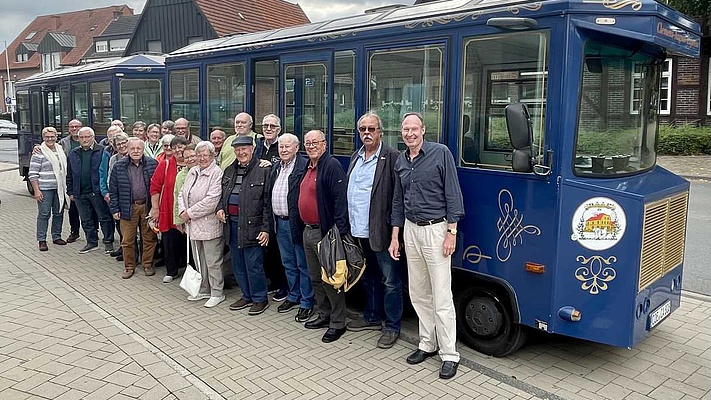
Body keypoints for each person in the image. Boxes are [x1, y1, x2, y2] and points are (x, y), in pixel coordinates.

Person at [388, 112, 465, 380]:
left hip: (436, 230)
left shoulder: (440, 153)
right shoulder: (401, 160)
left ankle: (449, 354)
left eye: (414, 129)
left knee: (442, 295)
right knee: (418, 292)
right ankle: (427, 344)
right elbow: (398, 200)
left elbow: (453, 194)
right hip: (410, 229)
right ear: (401, 133)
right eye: (405, 129)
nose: (409, 133)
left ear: (423, 130)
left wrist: (451, 232)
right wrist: (395, 236)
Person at [345, 113, 403, 349]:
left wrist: (395, 234)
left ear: (380, 131)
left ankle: (392, 326)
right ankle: (371, 315)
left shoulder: (391, 157)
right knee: (368, 277)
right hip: (358, 231)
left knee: (391, 280)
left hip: (382, 232)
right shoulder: (355, 157)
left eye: (371, 129)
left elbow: (398, 198)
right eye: (362, 129)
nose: (366, 133)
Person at [298, 130, 349, 343]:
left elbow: (340, 201)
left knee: (331, 279)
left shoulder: (331, 166)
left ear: (325, 144)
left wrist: (336, 232)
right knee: (315, 277)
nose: (311, 146)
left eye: (315, 142)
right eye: (307, 143)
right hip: (308, 230)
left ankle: (338, 323)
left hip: (326, 232)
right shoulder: (307, 166)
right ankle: (324, 313)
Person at [218, 135, 272, 315]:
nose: (241, 152)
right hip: (231, 225)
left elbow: (267, 202)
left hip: (253, 226)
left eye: (244, 149)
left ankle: (259, 299)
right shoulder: (229, 170)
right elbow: (222, 194)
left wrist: (266, 229)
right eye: (238, 150)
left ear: (252, 149)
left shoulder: (263, 169)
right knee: (238, 264)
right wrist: (220, 208)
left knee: (253, 264)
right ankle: (246, 295)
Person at [268, 133, 315, 322]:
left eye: (288, 146)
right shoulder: (276, 167)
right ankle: (293, 295)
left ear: (297, 148)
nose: (284, 150)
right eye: (281, 147)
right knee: (287, 262)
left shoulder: (304, 166)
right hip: (279, 222)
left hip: (297, 223)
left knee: (303, 264)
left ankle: (306, 302)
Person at [178, 141, 225, 307]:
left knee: (213, 261)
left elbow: (211, 200)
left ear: (212, 156)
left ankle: (217, 292)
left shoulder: (217, 173)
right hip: (192, 224)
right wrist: (182, 211)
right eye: (200, 155)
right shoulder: (193, 172)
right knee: (199, 260)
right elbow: (182, 194)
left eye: (206, 155)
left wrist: (189, 213)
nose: (202, 158)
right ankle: (204, 289)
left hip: (209, 224)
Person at [109, 138, 159, 279]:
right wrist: (115, 209)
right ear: (128, 149)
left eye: (139, 148)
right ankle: (129, 266)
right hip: (127, 207)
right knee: (127, 240)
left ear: (143, 149)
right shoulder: (119, 166)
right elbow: (113, 190)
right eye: (133, 148)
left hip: (147, 207)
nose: (136, 151)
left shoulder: (152, 164)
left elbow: (157, 187)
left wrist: (156, 208)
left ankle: (147, 264)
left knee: (149, 237)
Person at [66, 127, 116, 254]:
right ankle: (91, 242)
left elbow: (105, 172)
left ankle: (108, 242)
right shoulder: (73, 153)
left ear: (93, 137)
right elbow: (69, 174)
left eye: (87, 137)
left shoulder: (102, 151)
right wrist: (70, 191)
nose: (84, 140)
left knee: (104, 218)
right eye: (81, 137)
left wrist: (104, 190)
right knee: (86, 219)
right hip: (79, 193)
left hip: (97, 192)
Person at [150, 135, 189, 283]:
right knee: (170, 242)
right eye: (175, 147)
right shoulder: (165, 165)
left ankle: (188, 272)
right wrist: (155, 209)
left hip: (188, 213)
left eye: (181, 146)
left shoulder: (192, 164)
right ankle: (171, 271)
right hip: (169, 211)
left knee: (188, 244)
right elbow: (155, 187)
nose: (178, 150)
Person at [257, 114, 288, 300]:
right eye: (265, 125)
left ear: (279, 129)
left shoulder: (282, 146)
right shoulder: (258, 146)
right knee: (267, 249)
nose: (268, 129)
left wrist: (271, 166)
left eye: (272, 126)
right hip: (262, 203)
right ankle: (273, 281)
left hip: (279, 205)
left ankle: (283, 285)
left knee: (280, 250)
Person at [29, 127, 69, 251]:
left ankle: (56, 236)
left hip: (59, 188)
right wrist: (37, 190)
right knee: (44, 214)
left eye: (52, 136)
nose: (50, 139)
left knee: (58, 213)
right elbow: (33, 173)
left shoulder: (60, 149)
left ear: (56, 137)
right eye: (47, 137)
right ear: (43, 138)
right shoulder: (39, 152)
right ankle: (42, 240)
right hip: (45, 189)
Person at [100, 132, 130, 260]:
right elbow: (110, 178)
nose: (122, 146)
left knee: (130, 227)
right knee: (119, 224)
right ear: (115, 146)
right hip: (117, 196)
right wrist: (110, 194)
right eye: (119, 144)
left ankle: (130, 252)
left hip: (131, 198)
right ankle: (123, 248)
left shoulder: (135, 156)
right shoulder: (114, 159)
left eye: (124, 143)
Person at [59, 119, 84, 243]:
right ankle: (74, 232)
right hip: (72, 180)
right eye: (72, 127)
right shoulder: (64, 142)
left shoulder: (88, 139)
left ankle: (93, 232)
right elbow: (52, 149)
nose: (74, 129)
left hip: (86, 181)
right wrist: (37, 147)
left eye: (77, 126)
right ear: (69, 129)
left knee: (90, 209)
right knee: (73, 209)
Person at [173, 143, 197, 234]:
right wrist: (178, 220)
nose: (190, 159)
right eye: (186, 157)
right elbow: (177, 197)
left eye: (192, 156)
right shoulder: (181, 175)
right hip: (186, 219)